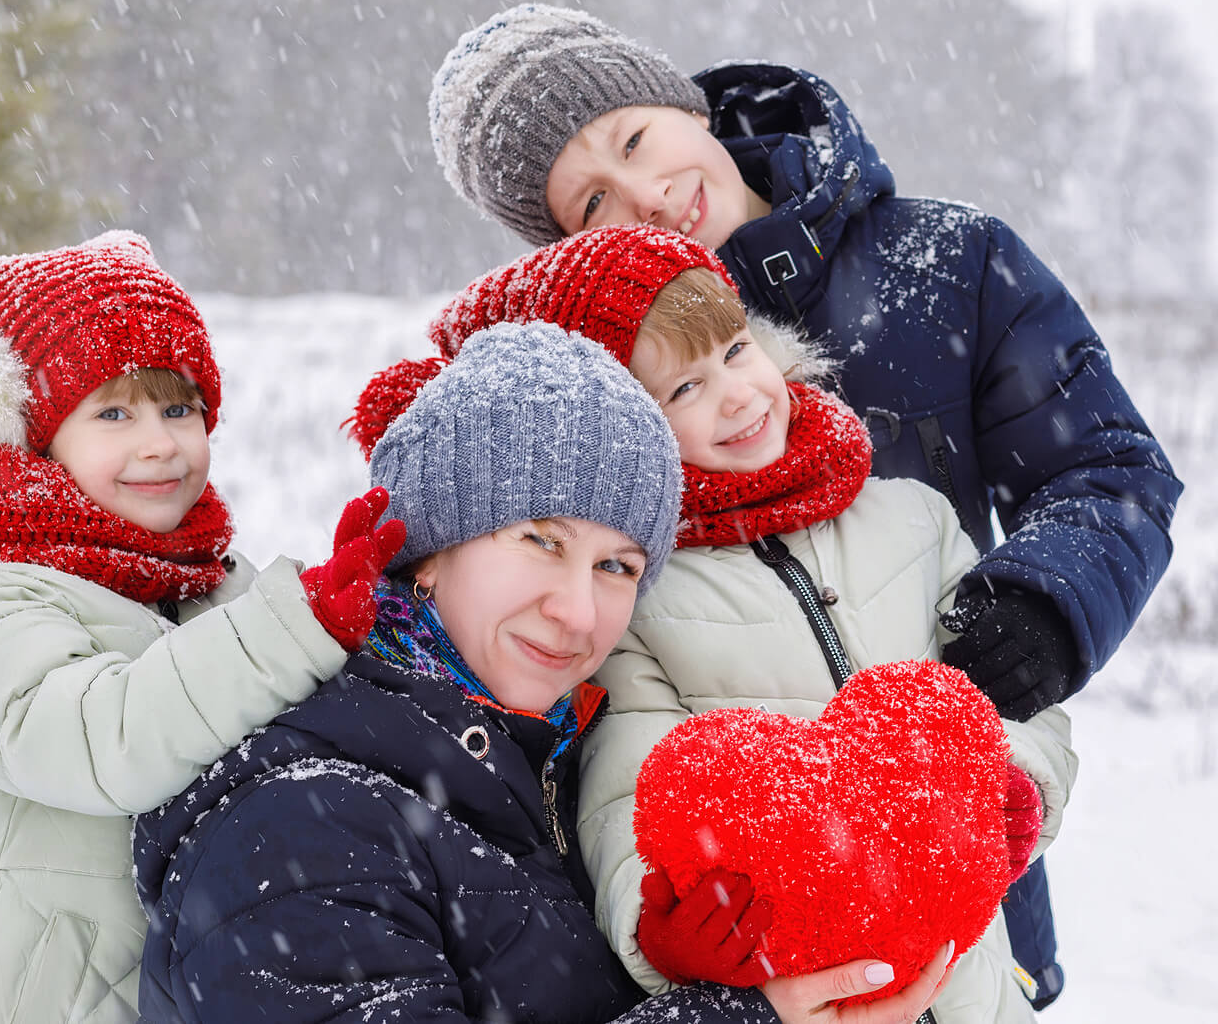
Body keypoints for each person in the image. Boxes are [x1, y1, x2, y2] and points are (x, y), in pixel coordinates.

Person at [427, 4, 1184, 1005]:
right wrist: (661, 897)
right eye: (592, 202)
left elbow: (1110, 466)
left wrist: (1041, 606)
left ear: (685, 101)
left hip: (969, 901)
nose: (647, 194)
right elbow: (617, 719)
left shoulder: (949, 265)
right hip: (765, 955)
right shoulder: (597, 382)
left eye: (637, 139)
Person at [134, 321, 954, 1024]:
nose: (579, 612)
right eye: (542, 541)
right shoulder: (304, 827)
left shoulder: (550, 774)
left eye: (619, 566)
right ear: (429, 552)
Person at [353, 226, 1077, 1021]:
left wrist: (1020, 782)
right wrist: (654, 922)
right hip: (805, 980)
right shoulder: (633, 596)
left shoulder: (913, 517)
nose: (736, 394)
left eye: (734, 350)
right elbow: (627, 781)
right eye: (682, 391)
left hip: (965, 976)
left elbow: (1008, 694)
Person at [0, 231, 403, 1023]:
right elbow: (104, 738)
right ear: (33, 438)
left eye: (179, 406)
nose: (160, 443)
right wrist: (298, 623)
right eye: (113, 410)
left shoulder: (206, 590)